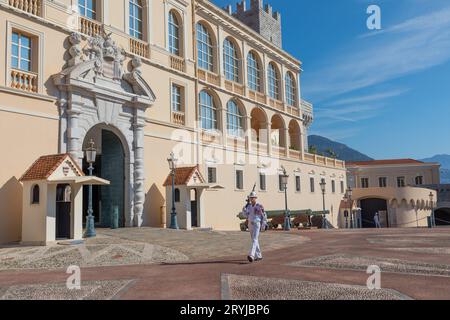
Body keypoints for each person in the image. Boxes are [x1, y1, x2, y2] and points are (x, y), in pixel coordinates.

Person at [242, 191, 266, 263]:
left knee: (255, 239)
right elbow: (246, 215)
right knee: (254, 240)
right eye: (251, 198)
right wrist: (244, 210)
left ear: (256, 198)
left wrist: (263, 225)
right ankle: (259, 255)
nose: (252, 199)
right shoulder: (248, 206)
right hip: (250, 224)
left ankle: (252, 255)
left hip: (256, 224)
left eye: (253, 198)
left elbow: (263, 216)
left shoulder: (259, 206)